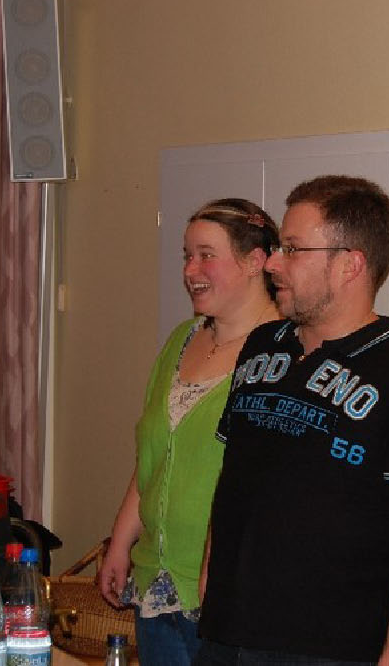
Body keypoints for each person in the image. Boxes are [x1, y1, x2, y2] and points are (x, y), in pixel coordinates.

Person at [194, 176, 389, 666]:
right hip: (224, 634)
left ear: (348, 265)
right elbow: (235, 475)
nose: (273, 263)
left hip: (326, 649)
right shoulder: (261, 345)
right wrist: (210, 579)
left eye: (293, 249)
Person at [99, 198, 281, 666]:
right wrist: (121, 542)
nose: (190, 270)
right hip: (156, 585)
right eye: (187, 256)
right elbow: (153, 458)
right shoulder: (181, 340)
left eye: (206, 255)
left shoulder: (282, 356)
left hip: (228, 594)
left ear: (254, 262)